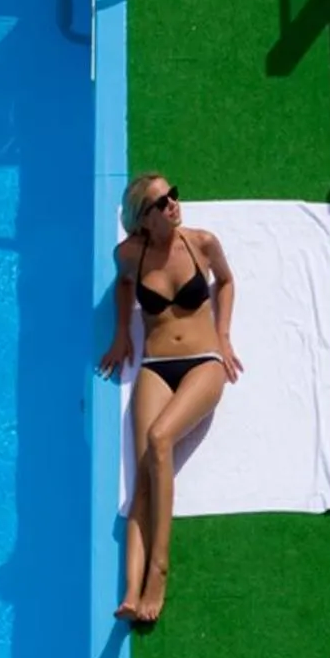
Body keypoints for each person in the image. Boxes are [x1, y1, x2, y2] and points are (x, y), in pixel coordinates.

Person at [97, 173, 242, 624]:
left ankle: (158, 572)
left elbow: (227, 281)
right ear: (142, 219)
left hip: (203, 364)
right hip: (156, 367)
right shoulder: (131, 255)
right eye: (161, 203)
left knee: (160, 439)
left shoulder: (202, 243)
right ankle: (129, 592)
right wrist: (122, 332)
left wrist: (222, 336)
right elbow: (124, 285)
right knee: (143, 477)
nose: (173, 205)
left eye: (173, 195)